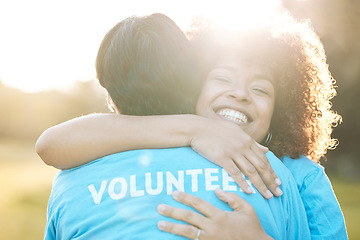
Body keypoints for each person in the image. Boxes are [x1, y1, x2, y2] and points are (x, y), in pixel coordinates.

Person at [40, 13, 311, 239]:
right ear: (194, 85)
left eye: (259, 88)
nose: (239, 94)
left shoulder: (69, 183)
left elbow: (47, 146)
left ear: (109, 95)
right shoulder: (271, 174)